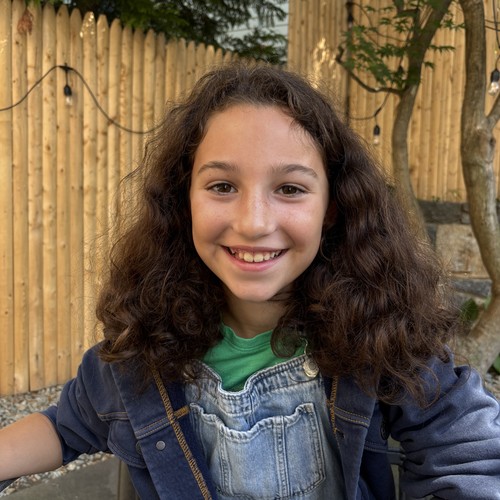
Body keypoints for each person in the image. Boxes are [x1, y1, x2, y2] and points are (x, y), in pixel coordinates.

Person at [1, 63, 499, 500]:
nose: (254, 222)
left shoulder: (382, 336)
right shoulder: (144, 348)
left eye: (290, 188)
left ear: (332, 208)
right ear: (183, 202)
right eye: (222, 186)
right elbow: (64, 426)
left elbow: (470, 451)